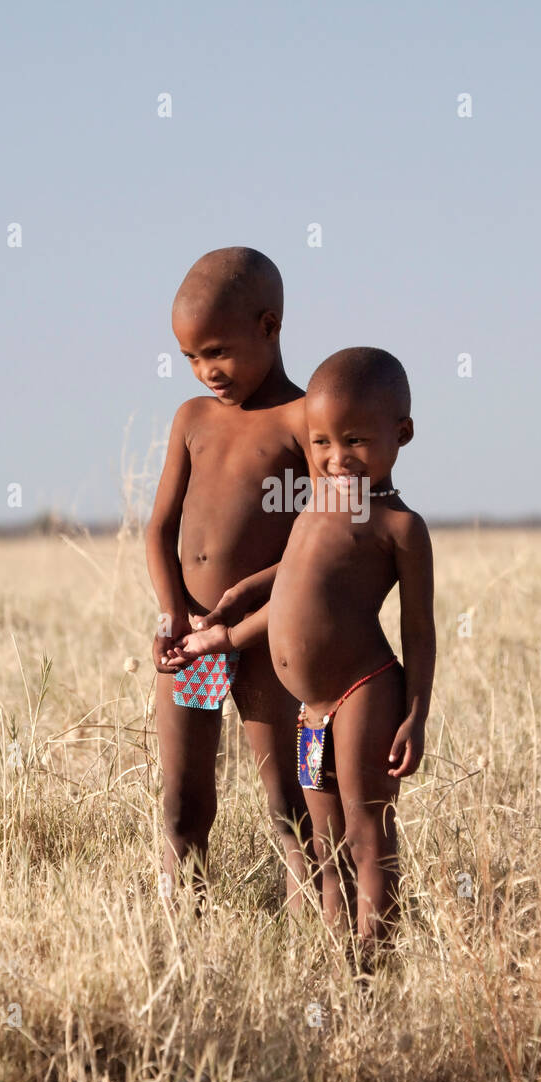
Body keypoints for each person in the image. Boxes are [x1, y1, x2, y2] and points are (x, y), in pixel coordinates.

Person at [170, 347, 436, 951]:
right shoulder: (317, 503)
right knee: (324, 838)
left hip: (363, 689)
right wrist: (226, 620)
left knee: (368, 832)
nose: (336, 460)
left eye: (356, 443)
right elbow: (290, 581)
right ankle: (339, 959)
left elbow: (419, 629)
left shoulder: (399, 527)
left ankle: (376, 961)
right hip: (311, 709)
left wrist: (416, 715)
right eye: (320, 444)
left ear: (402, 435)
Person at [145, 246, 310, 907]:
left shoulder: (306, 423)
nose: (204, 371)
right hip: (193, 640)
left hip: (268, 641)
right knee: (183, 804)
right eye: (189, 357)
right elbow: (159, 528)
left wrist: (240, 621)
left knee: (287, 804)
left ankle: (314, 940)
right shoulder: (193, 420)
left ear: (268, 327)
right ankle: (182, 931)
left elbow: (318, 547)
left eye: (217, 351)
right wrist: (173, 612)